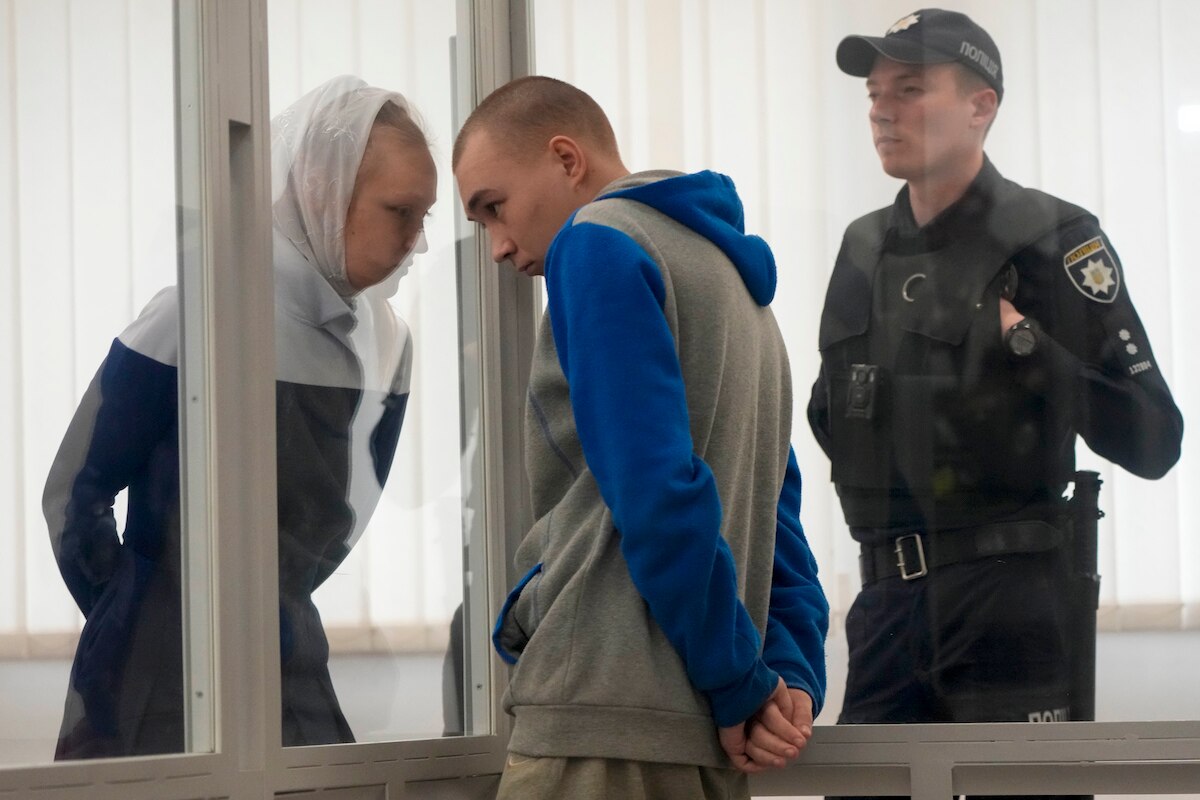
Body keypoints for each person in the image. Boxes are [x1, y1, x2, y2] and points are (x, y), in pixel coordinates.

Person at [808, 8, 1184, 795]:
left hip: (1009, 607)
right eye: (875, 92)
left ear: (981, 105)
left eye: (910, 88)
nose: (882, 108)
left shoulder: (1052, 237)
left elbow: (1154, 438)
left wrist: (1027, 348)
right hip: (884, 608)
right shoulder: (861, 248)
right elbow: (831, 415)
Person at [453, 75, 829, 800]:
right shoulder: (742, 289)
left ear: (567, 159)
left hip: (601, 718)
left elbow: (658, 494)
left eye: (493, 208)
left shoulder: (597, 244)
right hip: (706, 734)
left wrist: (740, 681)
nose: (498, 246)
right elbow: (775, 516)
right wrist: (784, 680)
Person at [43, 75, 437, 758]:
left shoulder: (392, 342)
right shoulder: (195, 313)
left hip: (288, 654)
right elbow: (75, 493)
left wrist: (270, 610)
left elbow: (337, 524)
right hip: (150, 677)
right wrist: (138, 618)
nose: (418, 242)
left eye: (425, 216)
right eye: (400, 211)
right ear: (322, 185)